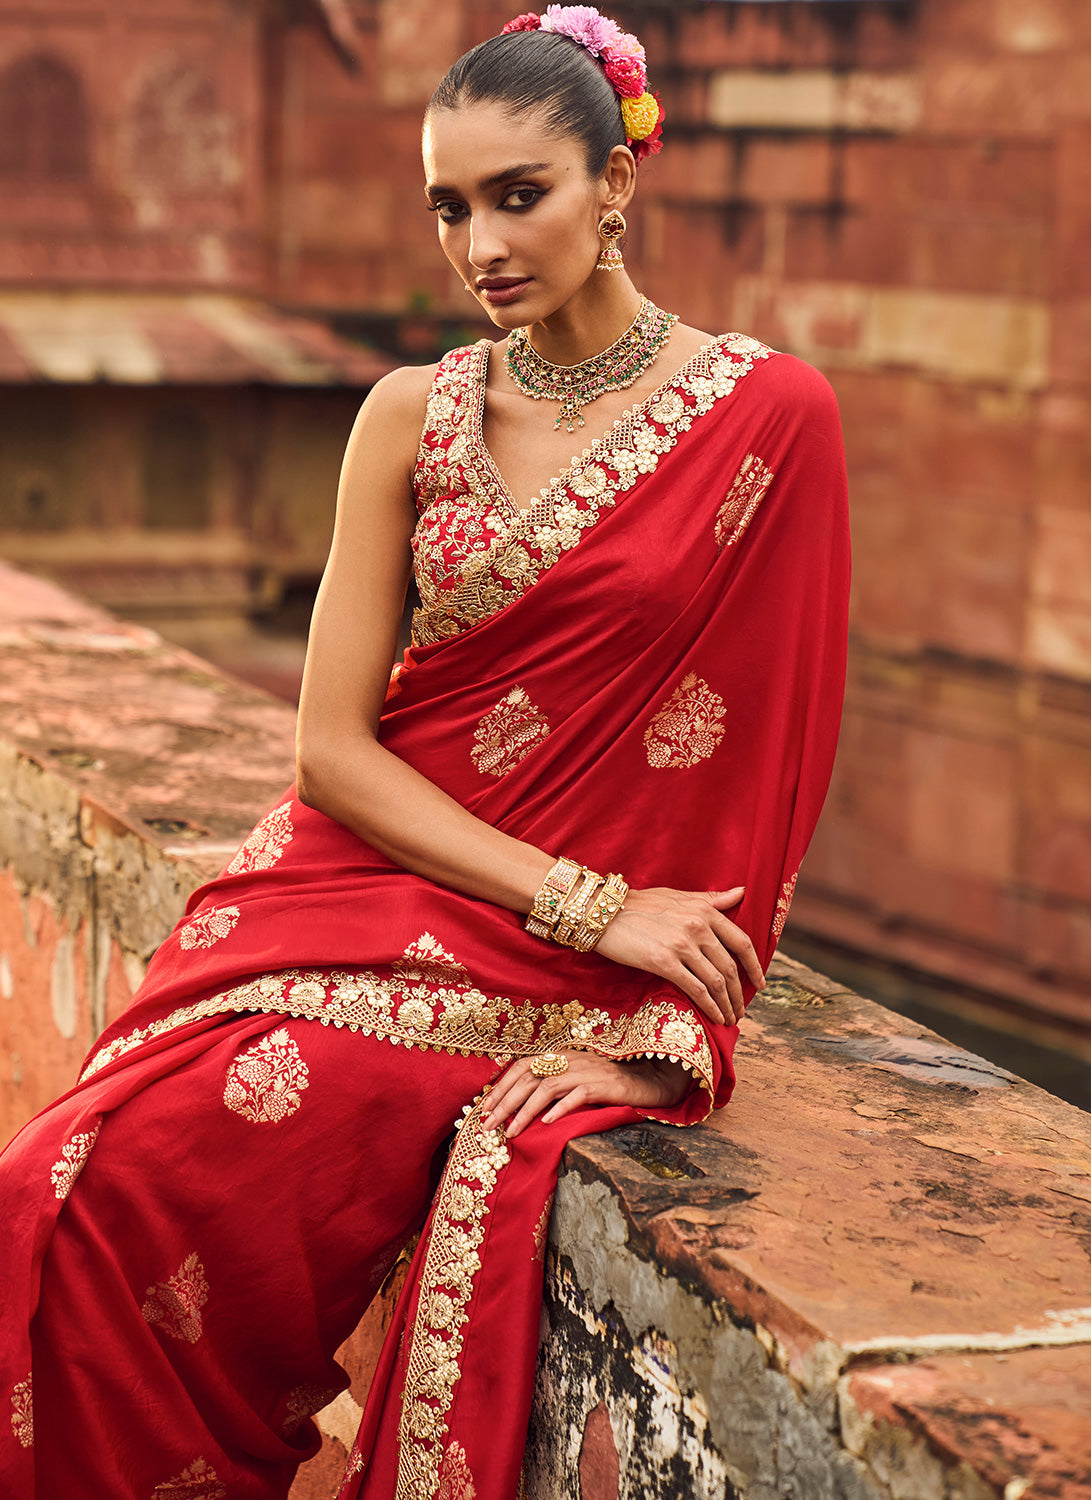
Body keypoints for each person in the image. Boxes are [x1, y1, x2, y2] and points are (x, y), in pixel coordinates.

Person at [0, 8, 850, 1498]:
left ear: (615, 185)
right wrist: (582, 897)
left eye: (520, 195)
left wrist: (666, 1005)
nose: (481, 243)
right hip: (361, 890)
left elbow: (760, 752)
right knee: (53, 1195)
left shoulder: (771, 417)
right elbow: (333, 750)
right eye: (450, 206)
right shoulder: (412, 410)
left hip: (552, 976)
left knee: (132, 1197)